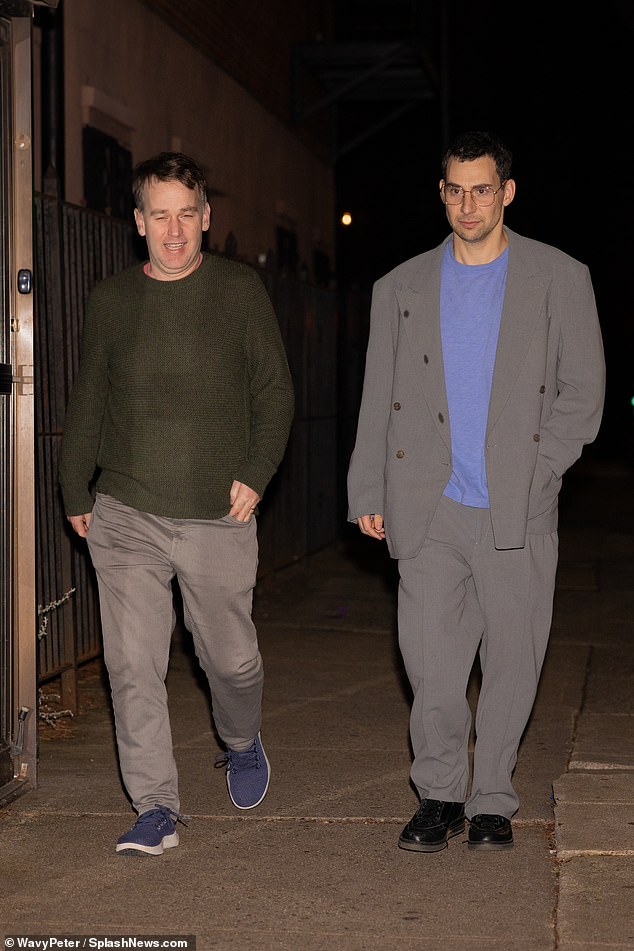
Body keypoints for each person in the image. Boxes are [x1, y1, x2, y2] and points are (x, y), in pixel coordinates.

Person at [347, 130, 605, 852]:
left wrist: (539, 470)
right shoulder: (398, 288)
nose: (468, 203)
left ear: (507, 192)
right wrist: (368, 484)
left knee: (513, 660)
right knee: (429, 663)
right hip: (428, 505)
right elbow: (378, 397)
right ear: (441, 194)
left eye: (482, 189)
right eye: (455, 190)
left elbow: (585, 395)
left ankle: (492, 796)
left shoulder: (560, 277)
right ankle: (439, 794)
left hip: (516, 508)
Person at [59, 151, 295, 856]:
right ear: (138, 222)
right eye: (158, 215)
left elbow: (275, 393)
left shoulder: (239, 291)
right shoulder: (112, 301)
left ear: (206, 218)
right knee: (132, 663)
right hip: (127, 508)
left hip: (218, 512)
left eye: (185, 214)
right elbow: (91, 399)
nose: (173, 229)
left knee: (230, 660)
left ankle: (241, 735)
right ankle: (157, 805)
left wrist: (256, 473)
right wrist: (76, 485)